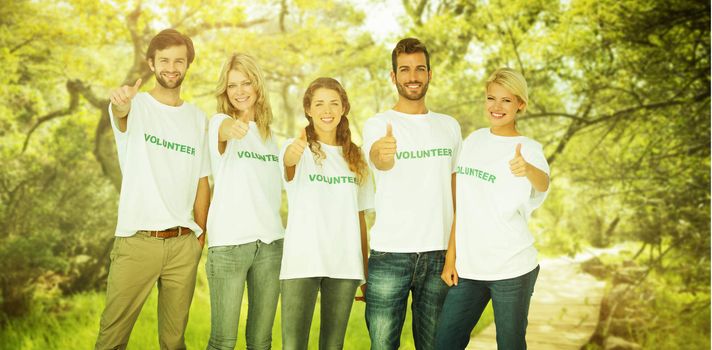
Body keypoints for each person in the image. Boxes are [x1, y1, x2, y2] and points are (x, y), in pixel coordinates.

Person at [96, 29, 210, 350]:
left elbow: (202, 181)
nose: (171, 67)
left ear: (188, 65)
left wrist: (199, 238)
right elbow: (120, 114)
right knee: (111, 340)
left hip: (182, 245)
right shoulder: (136, 106)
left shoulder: (198, 119)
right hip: (137, 242)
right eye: (164, 61)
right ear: (151, 63)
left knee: (174, 343)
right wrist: (120, 102)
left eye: (179, 61)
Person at [435, 68, 550, 350]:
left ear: (520, 104)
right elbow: (462, 206)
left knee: (510, 344)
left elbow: (544, 183)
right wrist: (451, 259)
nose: (496, 107)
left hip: (512, 266)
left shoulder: (528, 148)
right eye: (491, 98)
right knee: (445, 343)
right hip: (469, 269)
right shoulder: (473, 141)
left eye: (506, 101)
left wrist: (528, 168)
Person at [362, 38, 462, 350]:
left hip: (438, 256)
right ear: (393, 77)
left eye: (419, 68)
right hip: (390, 254)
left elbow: (458, 195)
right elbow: (379, 159)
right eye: (404, 70)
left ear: (430, 73)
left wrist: (453, 253)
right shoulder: (378, 124)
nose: (412, 76)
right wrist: (384, 152)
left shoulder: (449, 126)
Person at [279, 77, 373, 350]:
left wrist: (364, 273)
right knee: (293, 346)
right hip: (301, 262)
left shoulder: (356, 158)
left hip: (344, 265)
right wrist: (292, 156)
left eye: (334, 103)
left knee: (333, 346)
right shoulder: (294, 147)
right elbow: (288, 166)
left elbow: (360, 219)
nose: (327, 110)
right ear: (308, 109)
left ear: (344, 107)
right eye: (319, 104)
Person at [205, 53, 284, 350]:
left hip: (271, 245)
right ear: (224, 92)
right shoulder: (219, 123)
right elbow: (225, 131)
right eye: (232, 86)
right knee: (223, 342)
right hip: (229, 245)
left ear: (257, 86)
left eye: (246, 83)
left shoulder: (270, 137)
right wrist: (234, 128)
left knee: (261, 341)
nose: (239, 91)